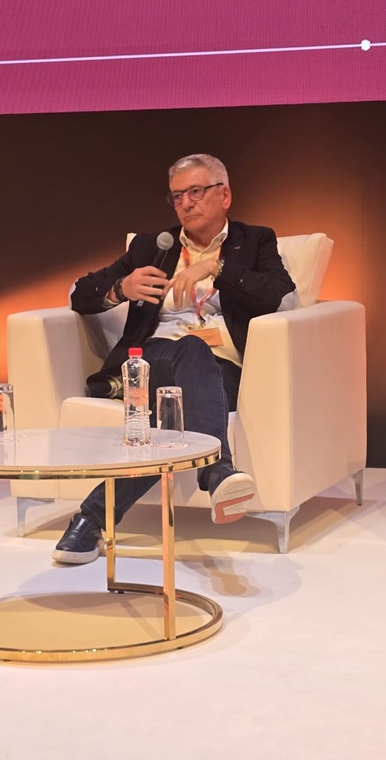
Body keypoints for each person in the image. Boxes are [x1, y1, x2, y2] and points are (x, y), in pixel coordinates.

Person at [53, 153, 297, 564]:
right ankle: (217, 469)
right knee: (190, 348)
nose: (185, 203)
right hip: (154, 359)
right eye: (177, 196)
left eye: (196, 192)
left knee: (169, 415)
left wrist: (216, 268)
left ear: (225, 195)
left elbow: (278, 292)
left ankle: (91, 519)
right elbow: (81, 293)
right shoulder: (153, 247)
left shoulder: (255, 241)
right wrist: (120, 287)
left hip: (225, 371)